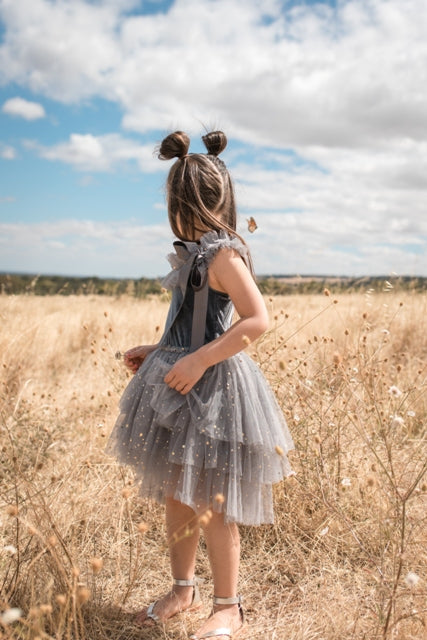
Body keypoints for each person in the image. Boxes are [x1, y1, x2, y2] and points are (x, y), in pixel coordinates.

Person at [106, 130, 294, 639]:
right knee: (175, 494)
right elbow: (193, 320)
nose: (173, 214)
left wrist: (198, 361)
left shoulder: (224, 256)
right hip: (181, 383)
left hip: (213, 391)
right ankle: (182, 588)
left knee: (213, 501)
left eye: (175, 204)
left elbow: (257, 320)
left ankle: (228, 605)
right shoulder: (193, 252)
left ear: (186, 205)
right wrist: (159, 348)